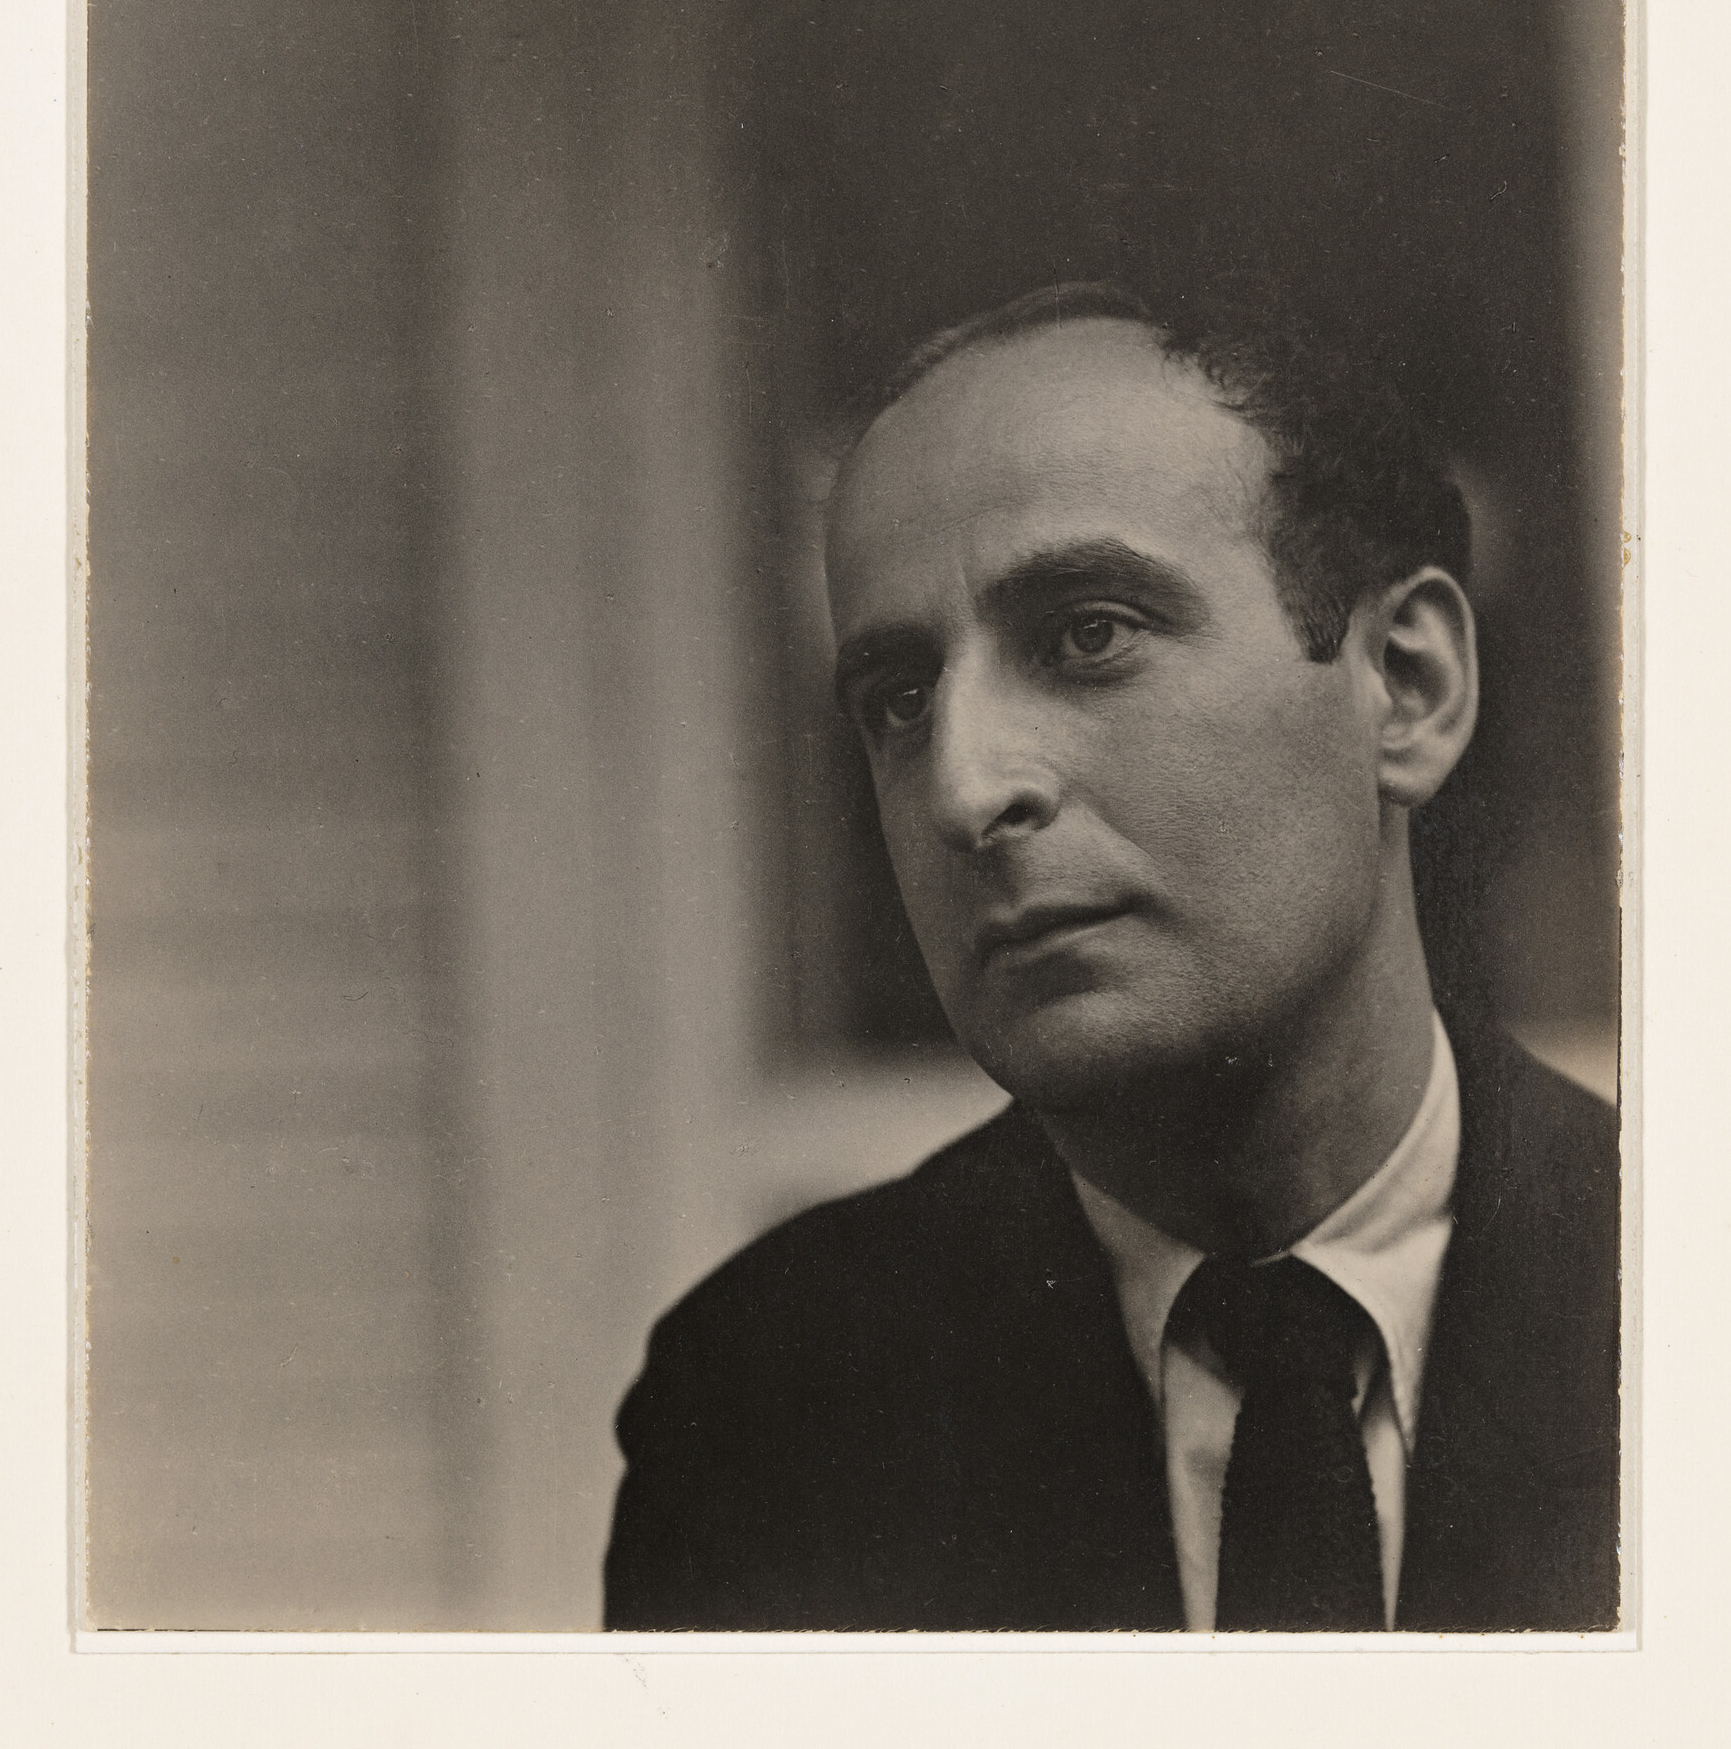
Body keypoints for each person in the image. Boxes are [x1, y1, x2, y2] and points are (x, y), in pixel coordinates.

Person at [603, 282, 1620, 1633]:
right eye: (899, 701)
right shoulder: (765, 1407)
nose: (965, 789)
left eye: (1088, 635)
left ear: (1406, 688)